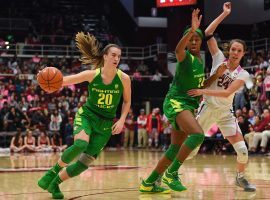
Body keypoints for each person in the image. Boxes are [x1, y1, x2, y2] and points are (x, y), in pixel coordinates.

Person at [37, 32, 131, 199]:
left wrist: (122, 119)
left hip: (106, 125)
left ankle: (55, 183)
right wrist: (43, 77)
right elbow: (63, 80)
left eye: (119, 56)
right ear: (105, 56)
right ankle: (52, 172)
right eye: (114, 55)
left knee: (83, 164)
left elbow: (127, 102)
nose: (117, 59)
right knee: (80, 144)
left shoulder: (124, 79)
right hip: (88, 115)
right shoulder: (92, 74)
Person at [187, 2, 256, 192]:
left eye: (239, 50)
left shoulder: (243, 74)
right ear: (229, 50)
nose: (235, 52)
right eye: (233, 49)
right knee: (190, 151)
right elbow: (207, 33)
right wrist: (224, 14)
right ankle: (168, 172)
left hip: (225, 113)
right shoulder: (218, 58)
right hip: (207, 109)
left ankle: (240, 178)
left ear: (243, 54)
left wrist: (202, 91)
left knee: (242, 150)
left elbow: (226, 93)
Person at [140, 9, 208, 193]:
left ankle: (149, 183)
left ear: (201, 42)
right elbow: (178, 49)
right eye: (190, 39)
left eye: (196, 39)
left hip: (188, 105)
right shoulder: (185, 57)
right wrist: (191, 30)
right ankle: (172, 173)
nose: (193, 42)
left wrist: (215, 76)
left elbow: (200, 85)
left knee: (174, 148)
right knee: (198, 135)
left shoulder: (200, 61)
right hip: (177, 102)